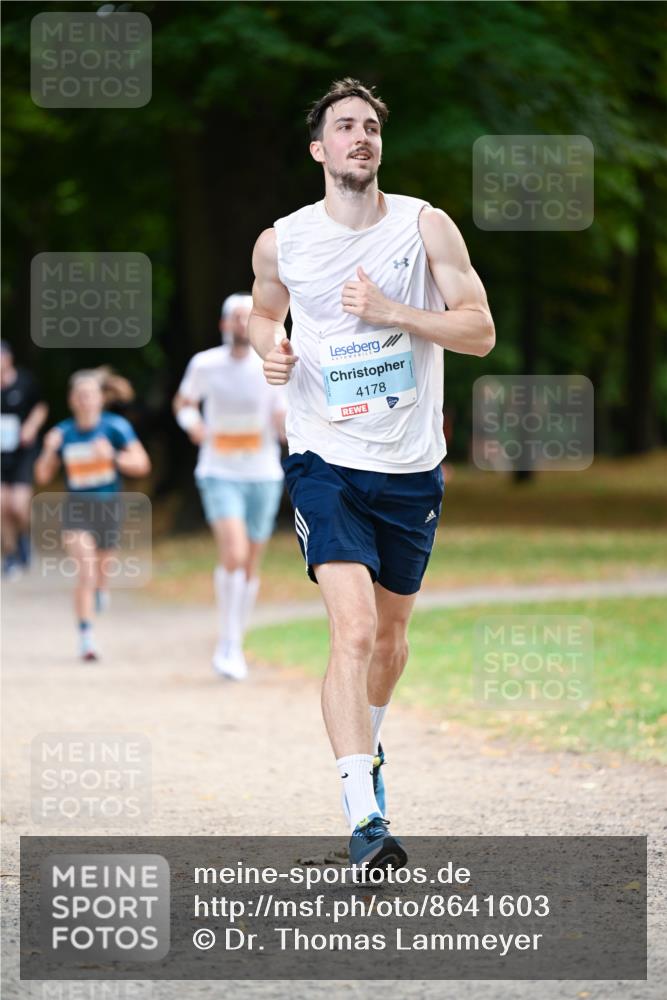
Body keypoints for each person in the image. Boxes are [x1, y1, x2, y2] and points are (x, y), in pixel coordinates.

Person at [248, 78, 495, 871]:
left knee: (391, 636)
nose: (360, 138)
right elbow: (263, 310)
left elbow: (479, 332)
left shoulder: (425, 226)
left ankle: (371, 749)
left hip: (411, 465)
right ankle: (363, 817)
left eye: (370, 128)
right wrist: (269, 346)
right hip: (323, 456)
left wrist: (393, 312)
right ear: (319, 149)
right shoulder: (281, 240)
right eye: (344, 127)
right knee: (351, 628)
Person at [173, 294, 287, 681]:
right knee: (234, 553)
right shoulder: (205, 364)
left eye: (247, 317)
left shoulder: (269, 365)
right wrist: (193, 425)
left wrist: (288, 428)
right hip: (219, 471)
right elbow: (184, 402)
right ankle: (227, 641)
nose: (241, 324)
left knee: (251, 562)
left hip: (263, 473)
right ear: (224, 325)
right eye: (235, 318)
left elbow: (280, 414)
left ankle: (236, 640)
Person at [35, 369, 151, 661]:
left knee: (101, 570)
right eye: (80, 396)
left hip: (109, 508)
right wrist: (49, 451)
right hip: (77, 510)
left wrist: (111, 455)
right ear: (72, 401)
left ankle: (102, 588)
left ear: (101, 399)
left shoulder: (116, 428)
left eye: (91, 395)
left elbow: (141, 465)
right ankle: (86, 638)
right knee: (85, 571)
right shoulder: (63, 433)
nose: (86, 400)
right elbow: (42, 475)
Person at [1, 341, 48, 577]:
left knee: (18, 506)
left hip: (22, 453)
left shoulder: (24, 381)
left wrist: (31, 426)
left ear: (9, 358)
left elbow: (41, 407)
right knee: (1, 505)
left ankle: (23, 538)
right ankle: (9, 555)